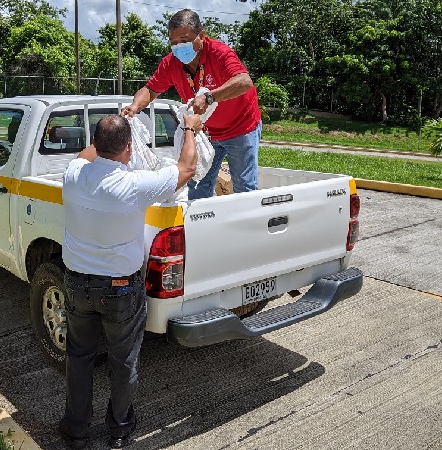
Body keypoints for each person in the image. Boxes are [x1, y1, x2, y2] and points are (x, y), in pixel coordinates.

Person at [58, 113, 202, 449]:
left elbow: (84, 155)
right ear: (129, 146)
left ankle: (76, 430)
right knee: (123, 360)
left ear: (95, 143)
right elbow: (187, 168)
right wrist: (190, 128)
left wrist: (112, 129)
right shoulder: (135, 185)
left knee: (79, 356)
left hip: (77, 284)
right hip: (120, 289)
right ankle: (120, 429)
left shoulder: (74, 174)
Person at [122, 8, 262, 200]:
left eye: (184, 40)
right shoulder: (171, 63)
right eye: (173, 42)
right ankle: (201, 220)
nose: (179, 46)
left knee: (244, 188)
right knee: (197, 185)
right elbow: (151, 89)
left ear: (201, 36)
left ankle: (248, 219)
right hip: (206, 133)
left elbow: (244, 82)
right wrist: (135, 106)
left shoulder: (219, 53)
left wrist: (210, 97)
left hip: (240, 129)